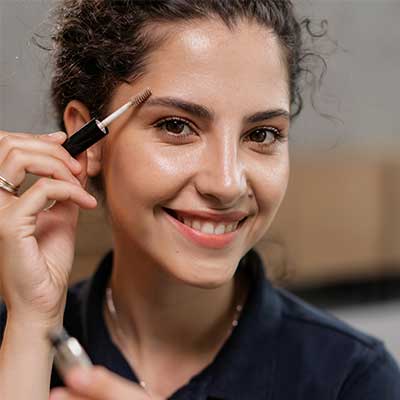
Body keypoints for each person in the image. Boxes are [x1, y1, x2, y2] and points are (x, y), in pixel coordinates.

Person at [0, 1, 399, 399]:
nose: (226, 183)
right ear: (89, 140)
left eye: (261, 134)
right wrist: (33, 327)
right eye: (177, 126)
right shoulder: (14, 335)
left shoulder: (354, 380)